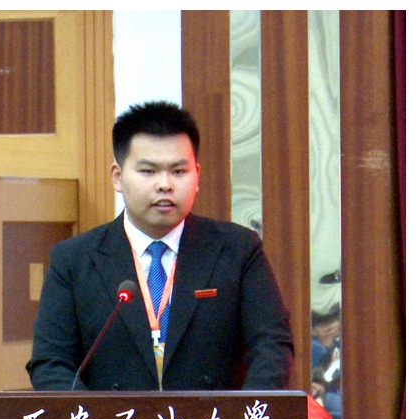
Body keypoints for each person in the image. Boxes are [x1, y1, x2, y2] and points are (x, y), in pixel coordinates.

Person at [27, 101, 292, 391]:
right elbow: (51, 362)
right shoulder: (73, 260)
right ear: (118, 177)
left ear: (197, 175)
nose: (165, 185)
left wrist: (245, 412)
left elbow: (272, 345)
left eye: (178, 171)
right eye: (148, 171)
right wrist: (93, 416)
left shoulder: (237, 250)